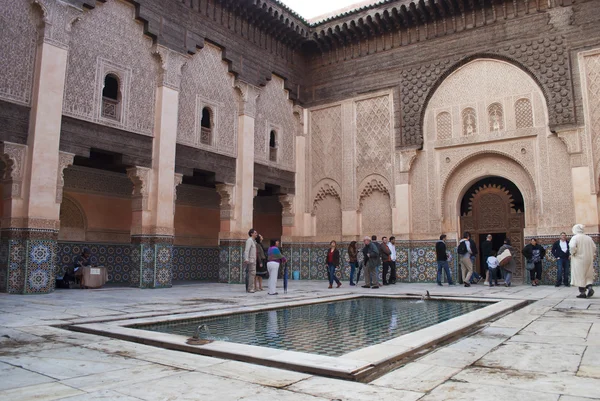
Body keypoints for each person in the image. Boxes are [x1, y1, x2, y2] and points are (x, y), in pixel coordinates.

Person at [569, 224, 596, 299]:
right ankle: (590, 288)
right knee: (587, 274)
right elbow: (594, 247)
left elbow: (572, 246)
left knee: (579, 275)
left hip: (578, 259)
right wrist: (590, 253)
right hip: (588, 259)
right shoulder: (588, 238)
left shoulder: (575, 237)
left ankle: (582, 293)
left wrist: (573, 253)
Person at [243, 228, 258, 293]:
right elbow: (247, 250)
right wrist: (246, 259)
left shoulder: (253, 241)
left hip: (253, 260)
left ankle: (251, 287)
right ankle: (250, 288)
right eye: (255, 233)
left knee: (253, 273)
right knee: (252, 273)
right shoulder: (249, 240)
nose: (256, 234)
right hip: (250, 260)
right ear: (251, 234)